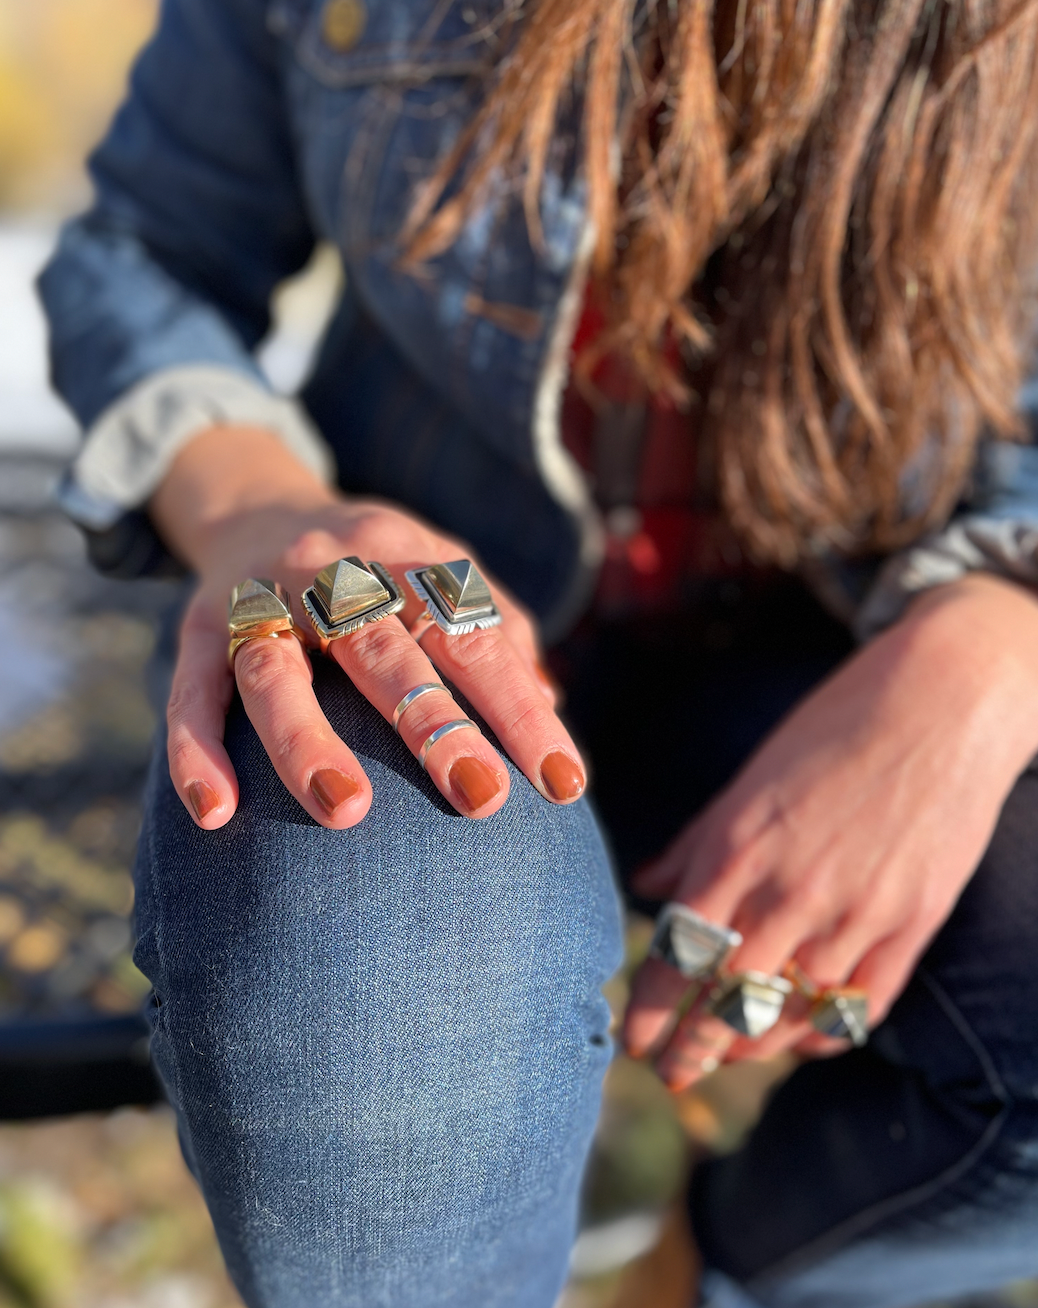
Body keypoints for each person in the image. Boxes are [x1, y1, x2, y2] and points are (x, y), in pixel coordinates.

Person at [38, 0, 1038, 1303]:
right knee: (363, 1025)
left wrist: (995, 645)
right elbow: (141, 251)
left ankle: (713, 1272)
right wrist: (257, 506)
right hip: (418, 616)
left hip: (846, 641)